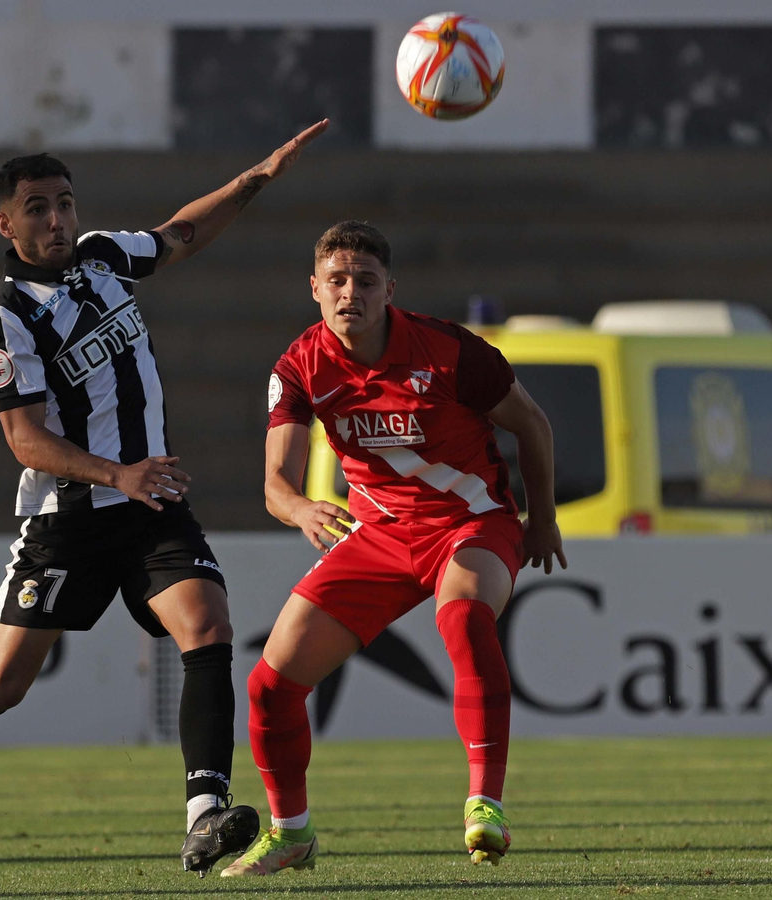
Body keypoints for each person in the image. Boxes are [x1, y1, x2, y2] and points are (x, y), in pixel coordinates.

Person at [0, 120, 328, 877]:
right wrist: (114, 472)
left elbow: (179, 236)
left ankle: (204, 816)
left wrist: (256, 176)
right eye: (37, 207)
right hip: (67, 523)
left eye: (64, 201)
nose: (57, 218)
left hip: (151, 508)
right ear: (7, 223)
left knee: (208, 626)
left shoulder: (102, 257)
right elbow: (25, 440)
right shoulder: (6, 322)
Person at [222, 221, 567, 876]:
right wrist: (299, 507)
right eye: (337, 281)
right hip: (377, 537)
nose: (350, 292)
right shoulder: (299, 366)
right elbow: (275, 483)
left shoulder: (449, 352)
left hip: (470, 522)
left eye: (365, 280)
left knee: (464, 619)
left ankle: (484, 804)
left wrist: (542, 520)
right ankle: (292, 833)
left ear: (389, 289)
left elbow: (532, 424)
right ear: (315, 289)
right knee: (271, 686)